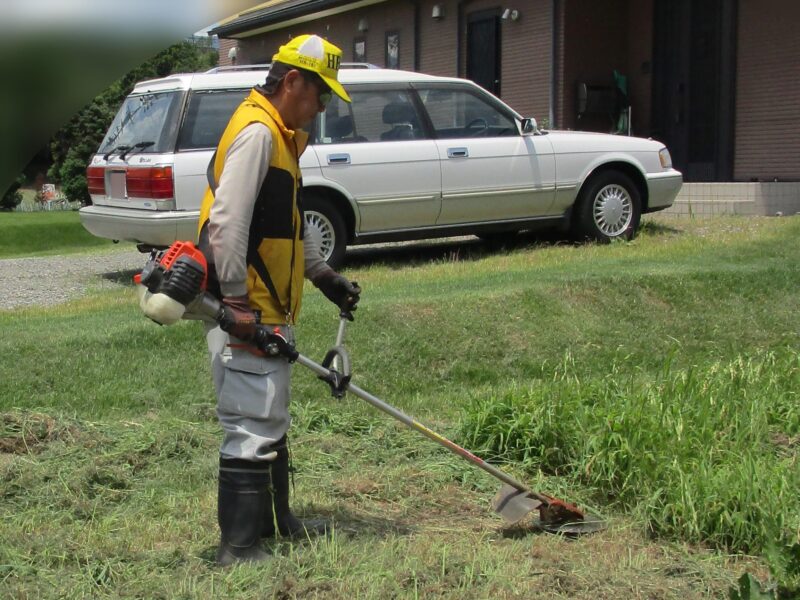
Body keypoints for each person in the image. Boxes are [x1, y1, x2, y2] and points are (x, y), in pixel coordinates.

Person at [197, 34, 361, 566]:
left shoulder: (281, 135)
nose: (323, 106)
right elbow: (226, 225)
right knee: (251, 420)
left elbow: (284, 221)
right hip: (247, 304)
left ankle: (275, 520)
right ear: (292, 82)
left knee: (271, 414)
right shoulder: (257, 134)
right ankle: (239, 547)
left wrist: (321, 274)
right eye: (320, 94)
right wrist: (239, 305)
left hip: (271, 302)